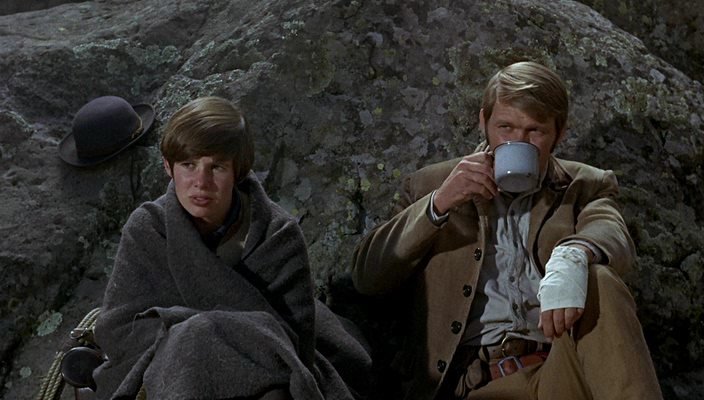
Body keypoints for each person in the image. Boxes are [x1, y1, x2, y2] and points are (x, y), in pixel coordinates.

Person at [351, 61, 663, 400]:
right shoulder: (431, 185)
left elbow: (610, 229)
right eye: (506, 127)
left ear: (559, 133)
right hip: (478, 382)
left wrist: (574, 254)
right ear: (483, 122)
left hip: (559, 367)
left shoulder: (585, 184)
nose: (518, 141)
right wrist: (439, 204)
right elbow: (368, 278)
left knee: (599, 279)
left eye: (535, 131)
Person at [93, 96, 370, 400]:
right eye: (188, 165)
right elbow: (117, 331)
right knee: (191, 341)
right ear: (168, 167)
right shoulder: (148, 228)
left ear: (238, 170)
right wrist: (192, 335)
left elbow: (295, 343)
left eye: (217, 167)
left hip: (262, 374)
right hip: (167, 372)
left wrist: (208, 331)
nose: (201, 182)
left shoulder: (277, 235)